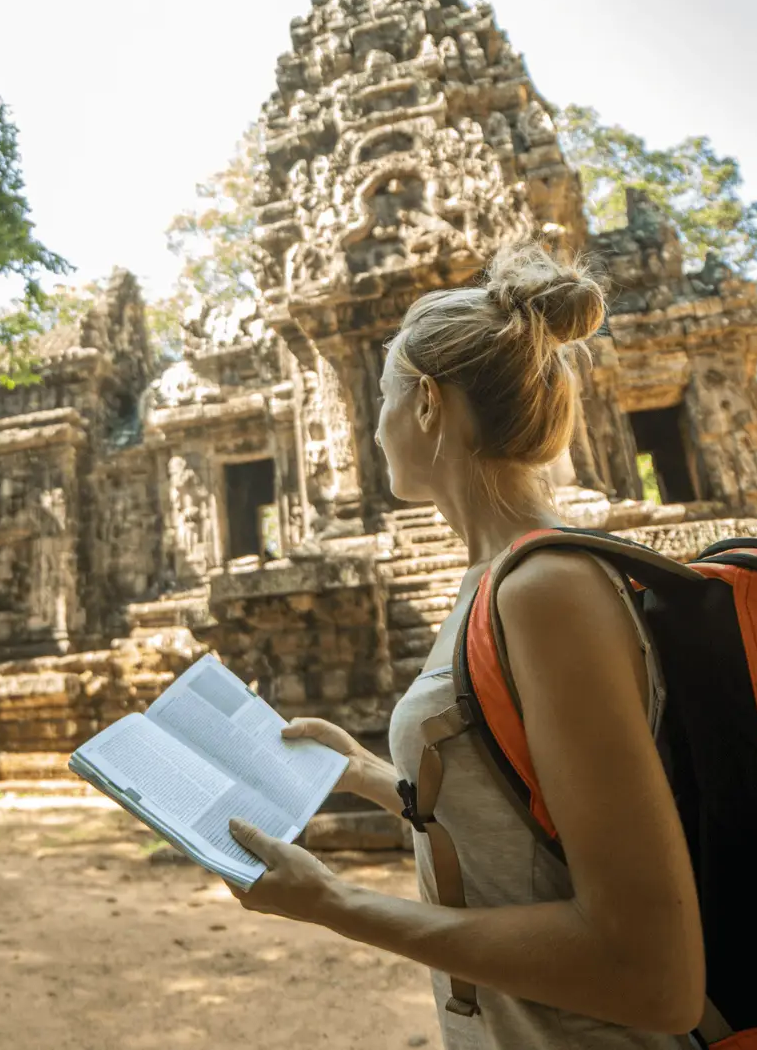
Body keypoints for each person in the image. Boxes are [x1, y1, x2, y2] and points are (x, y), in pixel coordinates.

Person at [223, 244, 705, 1048]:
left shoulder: (545, 589)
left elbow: (654, 974)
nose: (370, 427)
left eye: (379, 399)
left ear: (426, 405)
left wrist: (337, 904)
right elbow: (519, 819)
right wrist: (370, 775)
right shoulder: (492, 580)